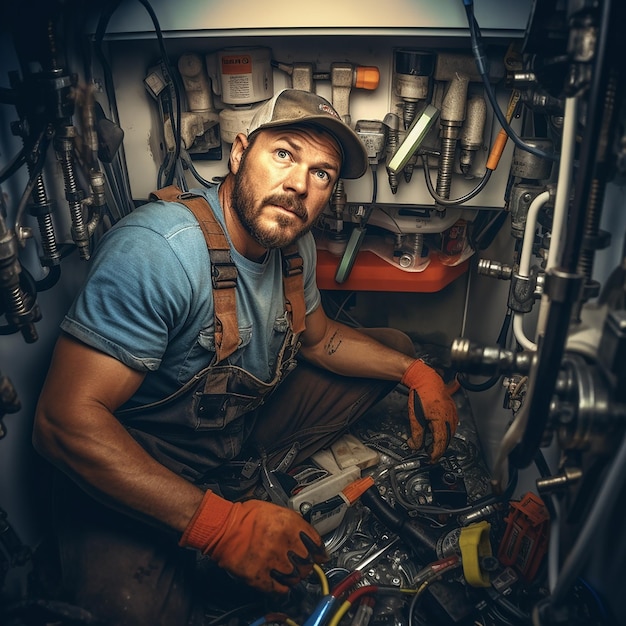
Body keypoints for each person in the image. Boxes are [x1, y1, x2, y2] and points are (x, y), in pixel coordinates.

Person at [32, 88, 458, 625]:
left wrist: (416, 372)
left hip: (232, 435)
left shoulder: (290, 239)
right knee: (129, 612)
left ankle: (249, 484)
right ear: (238, 153)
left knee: (394, 350)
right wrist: (221, 527)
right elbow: (60, 422)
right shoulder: (159, 252)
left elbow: (320, 340)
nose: (299, 185)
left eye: (322, 174)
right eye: (284, 154)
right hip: (140, 465)